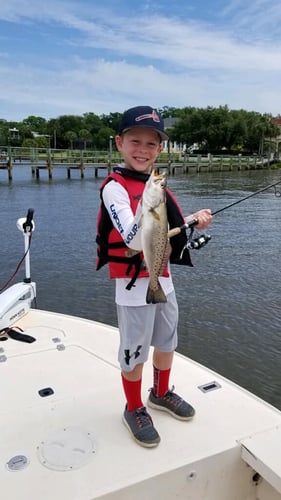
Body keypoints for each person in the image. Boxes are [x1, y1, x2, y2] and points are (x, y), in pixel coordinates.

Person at [96, 105, 212, 448]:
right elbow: (133, 238)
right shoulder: (114, 189)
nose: (143, 150)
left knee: (166, 342)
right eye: (135, 141)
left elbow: (166, 228)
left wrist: (192, 218)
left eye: (151, 144)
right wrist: (148, 204)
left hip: (163, 279)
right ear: (119, 142)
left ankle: (160, 394)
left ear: (159, 149)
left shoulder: (153, 185)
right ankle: (133, 408)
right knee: (134, 352)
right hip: (133, 286)